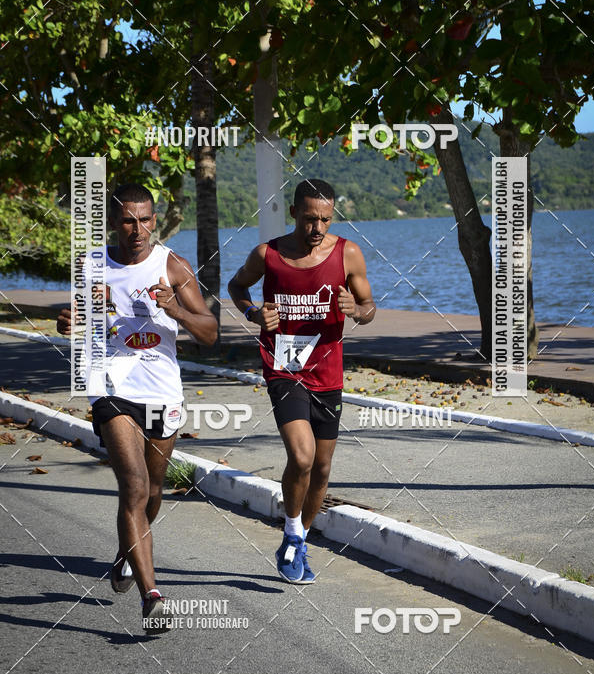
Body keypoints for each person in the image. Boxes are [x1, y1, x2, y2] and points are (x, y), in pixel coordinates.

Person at [57, 183, 217, 633]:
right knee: (134, 485)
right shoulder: (92, 264)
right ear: (113, 222)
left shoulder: (172, 265)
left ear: (156, 220)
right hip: (110, 386)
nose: (138, 229)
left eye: (146, 220)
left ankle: (128, 550)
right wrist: (69, 320)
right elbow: (76, 318)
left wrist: (176, 310)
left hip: (162, 390)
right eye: (128, 220)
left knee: (154, 491)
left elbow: (209, 333)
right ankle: (153, 596)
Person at [228, 178, 375, 584]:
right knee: (304, 456)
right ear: (293, 213)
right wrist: (254, 312)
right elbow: (236, 286)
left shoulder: (348, 254)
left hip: (327, 372)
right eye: (310, 219)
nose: (318, 229)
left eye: (326, 219)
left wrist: (357, 310)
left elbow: (369, 306)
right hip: (284, 369)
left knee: (323, 469)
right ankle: (292, 533)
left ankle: (299, 540)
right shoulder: (268, 254)